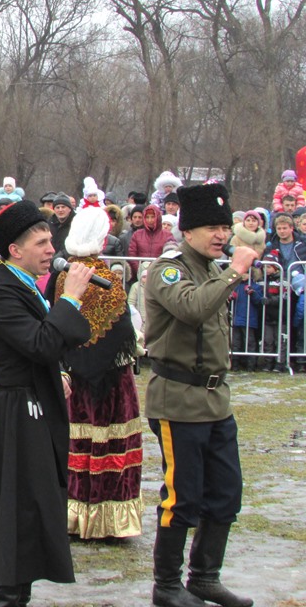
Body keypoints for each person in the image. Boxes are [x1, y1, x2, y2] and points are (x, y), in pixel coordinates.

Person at [0, 200, 94, 607]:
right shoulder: (1, 291)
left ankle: (15, 590)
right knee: (20, 506)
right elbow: (41, 343)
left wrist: (57, 371)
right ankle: (4, 595)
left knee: (33, 504)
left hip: (34, 403)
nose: (51, 250)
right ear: (14, 250)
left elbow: (41, 345)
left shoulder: (21, 285)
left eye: (51, 240)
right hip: (19, 411)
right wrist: (71, 299)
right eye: (41, 242)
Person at [143, 183, 256, 607]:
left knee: (226, 494)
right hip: (178, 399)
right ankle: (167, 586)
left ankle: (204, 577)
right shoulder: (169, 268)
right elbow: (191, 308)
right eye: (211, 227)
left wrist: (226, 272)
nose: (221, 235)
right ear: (187, 231)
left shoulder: (211, 268)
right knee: (182, 498)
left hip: (214, 401)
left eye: (225, 227)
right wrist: (235, 271)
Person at [46, 206, 143, 540]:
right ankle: (108, 521)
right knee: (107, 445)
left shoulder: (63, 276)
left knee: (77, 444)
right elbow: (123, 336)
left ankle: (74, 515)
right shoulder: (107, 281)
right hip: (110, 383)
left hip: (72, 376)